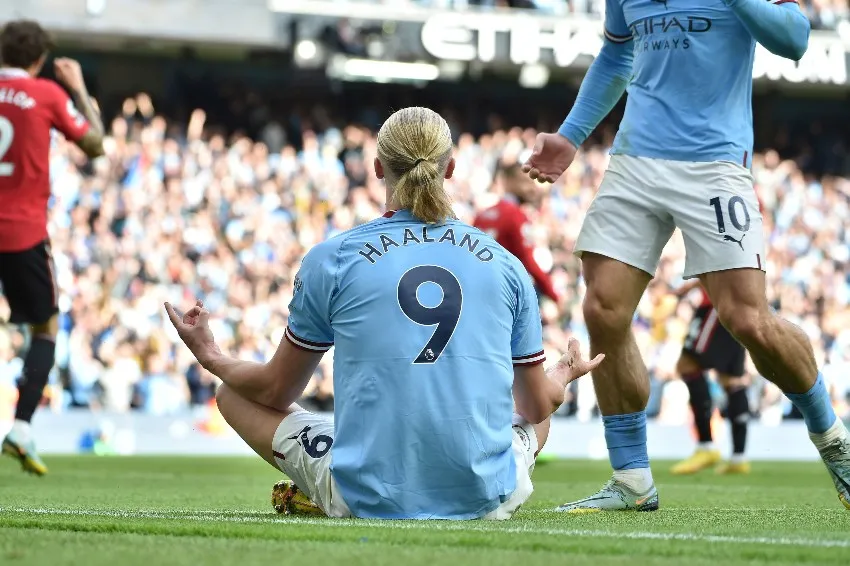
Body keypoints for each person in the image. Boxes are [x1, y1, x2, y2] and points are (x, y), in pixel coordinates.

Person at [165, 107, 604, 519]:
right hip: (488, 496)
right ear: (450, 169)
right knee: (536, 410)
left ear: (378, 168)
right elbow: (535, 404)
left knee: (231, 393)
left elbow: (275, 390)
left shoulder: (332, 258)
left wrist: (212, 357)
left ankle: (335, 480)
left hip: (363, 497)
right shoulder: (505, 264)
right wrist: (562, 375)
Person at [523, 0, 850, 511]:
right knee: (601, 308)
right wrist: (570, 137)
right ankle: (632, 480)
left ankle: (835, 441)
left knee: (748, 320)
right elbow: (615, 57)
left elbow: (795, 40)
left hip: (715, 163)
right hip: (635, 160)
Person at [0, 20, 105, 475]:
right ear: (40, 59)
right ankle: (21, 428)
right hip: (20, 232)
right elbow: (96, 145)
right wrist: (79, 89)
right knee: (45, 326)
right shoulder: (45, 93)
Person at [669, 280, 751, 476]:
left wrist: (697, 283)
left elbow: (719, 261)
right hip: (736, 303)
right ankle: (738, 458)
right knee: (731, 379)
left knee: (687, 366)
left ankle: (706, 447)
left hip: (716, 303)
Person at [474, 156, 560, 305]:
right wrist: (555, 295)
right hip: (505, 296)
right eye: (525, 182)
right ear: (509, 183)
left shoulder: (481, 216)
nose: (532, 188)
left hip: (481, 294)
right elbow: (527, 261)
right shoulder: (516, 216)